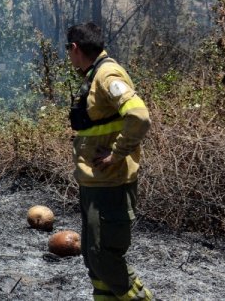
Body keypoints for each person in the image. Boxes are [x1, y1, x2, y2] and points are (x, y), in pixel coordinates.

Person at [66, 22, 154, 301]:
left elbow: (139, 116)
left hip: (110, 184)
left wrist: (117, 153)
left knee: (105, 258)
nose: (68, 57)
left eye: (68, 51)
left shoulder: (107, 75)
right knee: (94, 261)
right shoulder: (92, 76)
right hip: (95, 183)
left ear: (75, 48)